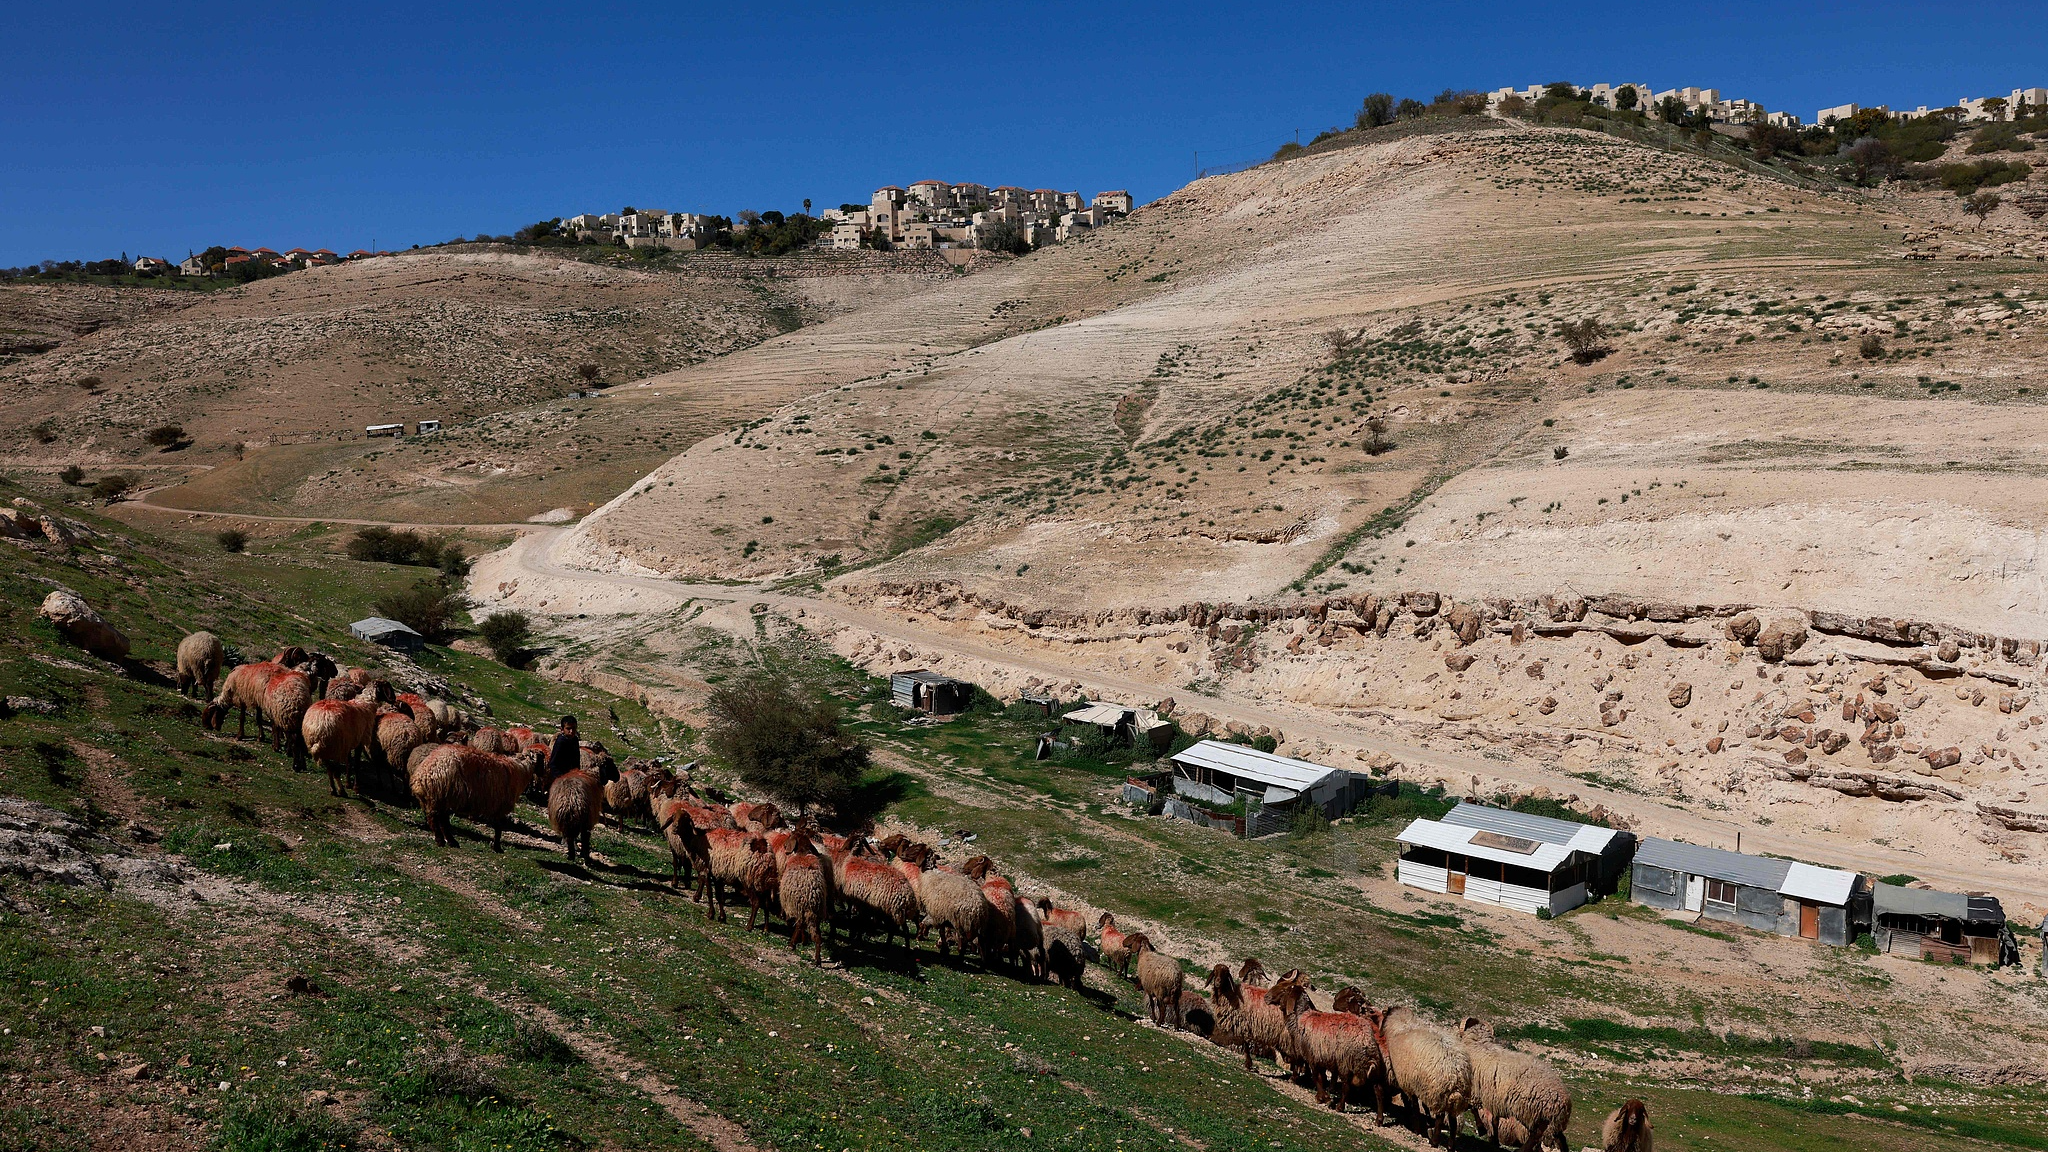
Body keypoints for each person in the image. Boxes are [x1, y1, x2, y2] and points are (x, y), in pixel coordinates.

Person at [547, 715, 581, 783]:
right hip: (560, 777)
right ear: (562, 729)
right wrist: (560, 778)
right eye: (568, 729)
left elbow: (576, 760)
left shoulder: (574, 740)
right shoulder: (561, 742)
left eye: (574, 728)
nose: (571, 731)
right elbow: (553, 763)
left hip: (572, 774)